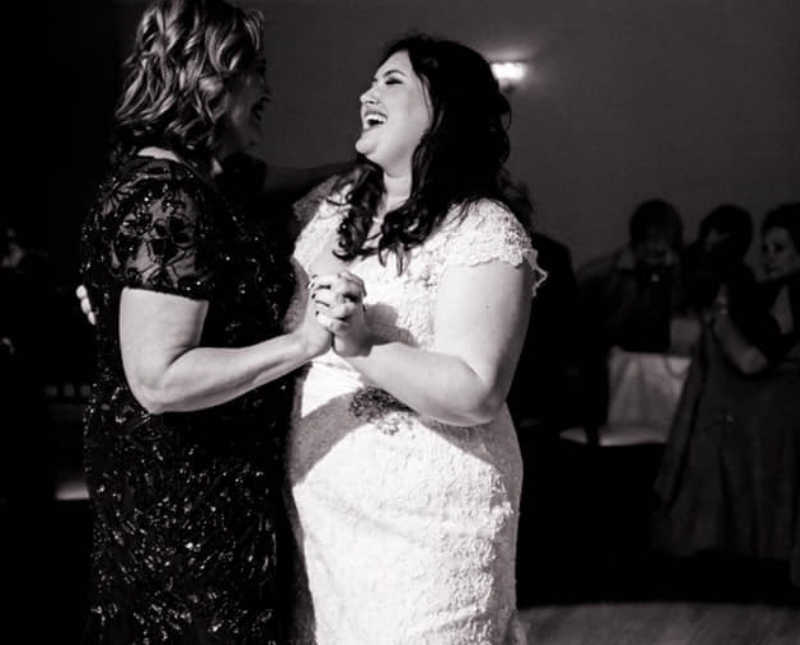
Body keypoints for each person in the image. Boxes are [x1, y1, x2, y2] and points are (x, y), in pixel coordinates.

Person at [78, 1, 333, 641]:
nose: (269, 88)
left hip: (199, 490)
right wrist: (303, 343)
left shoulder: (195, 177)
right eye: (257, 70)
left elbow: (284, 182)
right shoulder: (170, 195)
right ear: (212, 78)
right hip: (190, 506)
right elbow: (160, 378)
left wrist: (367, 173)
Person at [285, 35, 544, 643]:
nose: (366, 94)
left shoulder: (481, 226)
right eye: (371, 81)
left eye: (392, 81)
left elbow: (478, 389)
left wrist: (364, 345)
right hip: (322, 525)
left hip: (427, 532)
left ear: (444, 110)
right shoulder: (331, 210)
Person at [653, 202, 800, 588]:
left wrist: (720, 322)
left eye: (780, 248)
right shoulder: (767, 292)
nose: (769, 258)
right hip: (756, 422)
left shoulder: (789, 295)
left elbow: (753, 360)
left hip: (774, 422)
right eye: (766, 249)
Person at [575, 198, 688, 427]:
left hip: (659, 378)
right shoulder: (600, 276)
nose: (660, 260)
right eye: (653, 254)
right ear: (638, 245)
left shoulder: (680, 275)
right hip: (609, 380)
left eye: (665, 254)